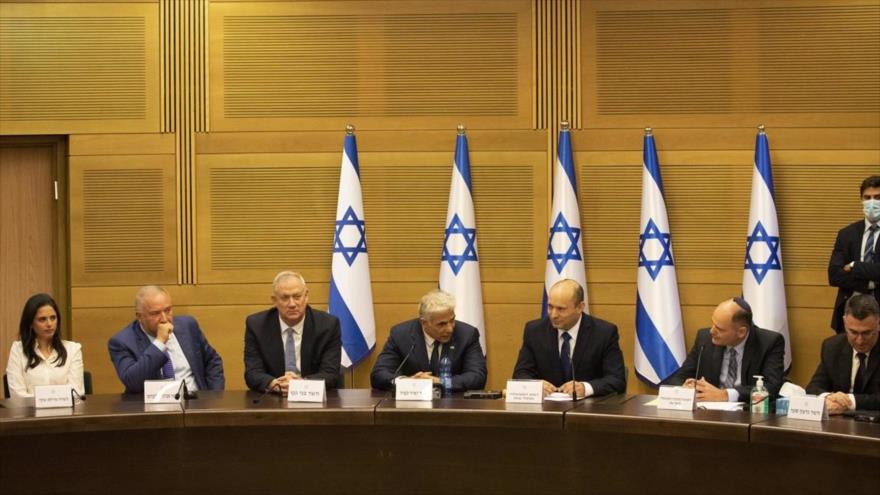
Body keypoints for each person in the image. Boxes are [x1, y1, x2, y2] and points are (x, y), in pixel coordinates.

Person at [512, 279, 625, 398]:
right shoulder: (534, 331)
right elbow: (521, 374)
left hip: (588, 410)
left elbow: (616, 380)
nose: (554, 315)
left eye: (561, 309)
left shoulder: (604, 333)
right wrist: (535, 386)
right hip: (546, 410)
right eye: (550, 307)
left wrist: (585, 388)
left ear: (580, 307)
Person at [664, 297, 784, 403]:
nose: (712, 331)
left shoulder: (769, 343)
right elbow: (677, 378)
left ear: (741, 332)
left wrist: (725, 395)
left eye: (719, 329)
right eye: (713, 324)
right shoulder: (704, 339)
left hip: (748, 415)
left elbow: (771, 388)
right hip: (708, 413)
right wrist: (685, 388)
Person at [108, 285, 225, 394]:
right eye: (155, 313)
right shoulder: (121, 342)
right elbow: (133, 382)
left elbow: (212, 360)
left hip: (195, 403)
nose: (164, 319)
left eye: (168, 310)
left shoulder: (188, 325)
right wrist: (159, 343)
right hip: (152, 409)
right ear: (140, 316)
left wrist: (213, 396)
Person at [244, 271, 341, 394]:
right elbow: (253, 373)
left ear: (306, 296)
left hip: (313, 397)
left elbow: (330, 374)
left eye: (297, 296)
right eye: (285, 298)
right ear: (274, 300)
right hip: (273, 398)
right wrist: (275, 384)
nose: (292, 304)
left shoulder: (327, 325)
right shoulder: (257, 325)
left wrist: (301, 386)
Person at [370, 289, 487, 391]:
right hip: (411, 407)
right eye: (442, 324)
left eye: (452, 320)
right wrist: (406, 382)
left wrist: (439, 381)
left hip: (455, 407)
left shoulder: (467, 334)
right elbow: (378, 375)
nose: (450, 328)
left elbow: (477, 377)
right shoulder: (401, 335)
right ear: (424, 323)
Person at [807, 294, 880, 414]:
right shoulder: (832, 347)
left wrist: (848, 401)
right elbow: (813, 388)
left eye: (867, 333)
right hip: (840, 425)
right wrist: (829, 397)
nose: (859, 340)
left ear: (878, 324)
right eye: (853, 332)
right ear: (845, 323)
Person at [5, 293, 84, 398]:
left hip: (66, 413)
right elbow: (17, 396)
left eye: (53, 318)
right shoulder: (18, 350)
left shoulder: (73, 349)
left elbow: (76, 393)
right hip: (29, 413)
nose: (49, 324)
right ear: (30, 324)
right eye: (42, 319)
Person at [828, 175, 880, 333]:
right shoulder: (847, 234)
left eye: (877, 197)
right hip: (849, 311)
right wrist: (870, 283)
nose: (872, 202)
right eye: (867, 197)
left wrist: (854, 265)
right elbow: (834, 275)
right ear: (861, 200)